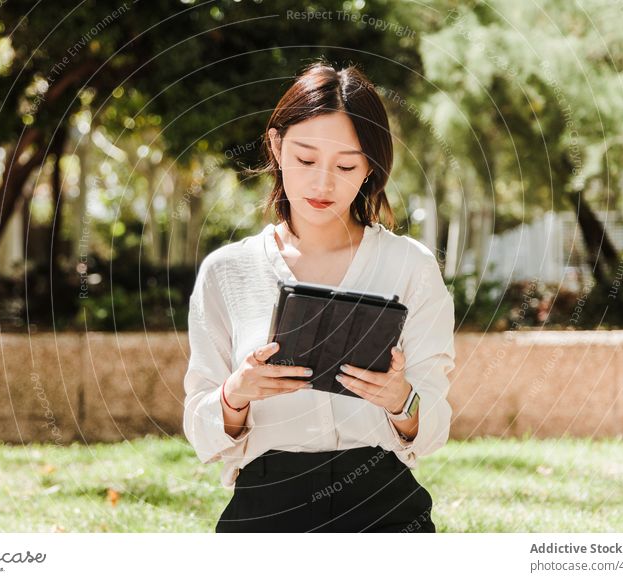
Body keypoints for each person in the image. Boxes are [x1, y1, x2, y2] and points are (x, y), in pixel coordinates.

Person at [183, 59, 456, 533]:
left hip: (383, 504)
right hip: (266, 509)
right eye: (306, 159)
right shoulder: (227, 272)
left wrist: (401, 400)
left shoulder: (409, 266)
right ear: (276, 146)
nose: (323, 183)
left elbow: (432, 425)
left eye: (346, 165)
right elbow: (199, 426)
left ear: (371, 165)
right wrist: (235, 395)